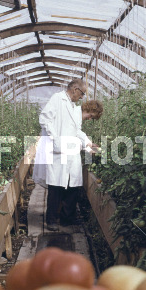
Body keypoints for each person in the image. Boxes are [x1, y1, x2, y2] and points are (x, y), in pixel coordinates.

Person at [35, 79, 101, 232]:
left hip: (70, 152)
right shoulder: (58, 99)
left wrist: (87, 143)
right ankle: (51, 220)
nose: (82, 97)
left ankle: (66, 219)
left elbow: (76, 130)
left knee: (72, 186)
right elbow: (44, 118)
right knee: (56, 187)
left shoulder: (72, 106)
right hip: (58, 151)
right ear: (75, 89)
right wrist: (55, 138)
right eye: (82, 93)